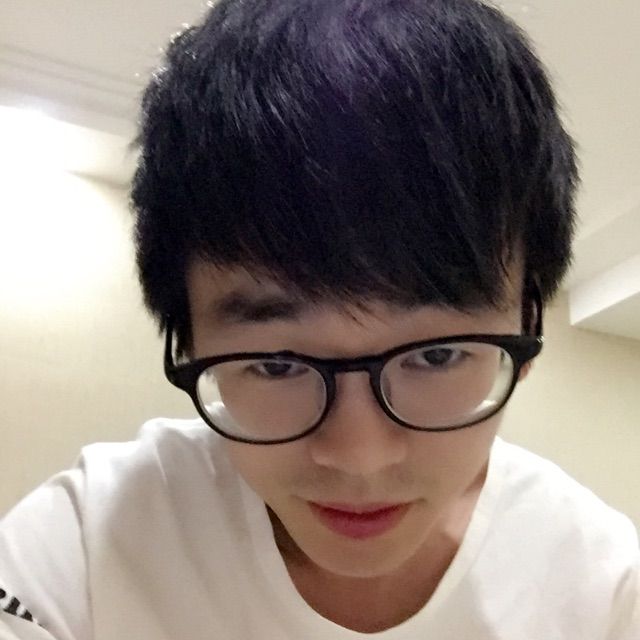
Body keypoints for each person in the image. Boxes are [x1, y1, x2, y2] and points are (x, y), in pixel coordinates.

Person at [1, 0, 638, 637]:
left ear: (527, 329)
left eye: (437, 355)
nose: (360, 458)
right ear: (188, 342)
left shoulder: (604, 588)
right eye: (277, 365)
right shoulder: (90, 542)